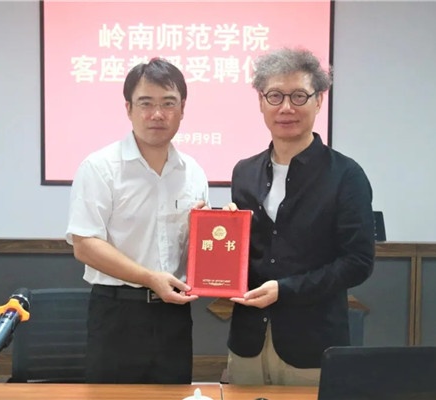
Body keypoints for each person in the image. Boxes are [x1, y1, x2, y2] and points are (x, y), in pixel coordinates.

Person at [225, 48, 375, 386]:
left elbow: (358, 262)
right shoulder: (244, 172)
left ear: (319, 100)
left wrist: (285, 289)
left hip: (312, 346)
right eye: (275, 96)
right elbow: (247, 256)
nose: (286, 107)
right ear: (261, 101)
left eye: (299, 96)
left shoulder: (346, 175)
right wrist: (220, 243)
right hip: (247, 342)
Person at [65, 58, 209, 384]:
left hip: (174, 314)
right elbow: (85, 245)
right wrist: (149, 278)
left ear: (182, 109)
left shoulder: (193, 172)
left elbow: (194, 251)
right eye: (146, 103)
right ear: (128, 109)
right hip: (118, 313)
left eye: (168, 103)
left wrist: (217, 232)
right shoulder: (100, 167)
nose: (157, 114)